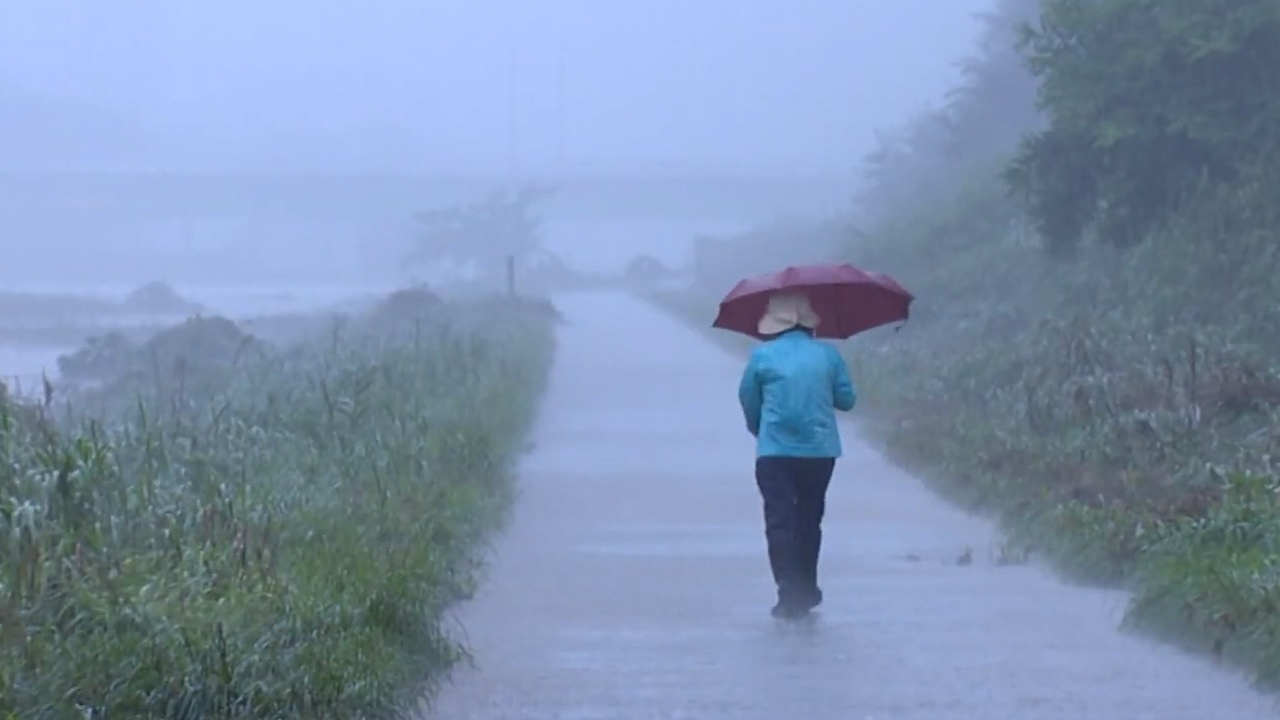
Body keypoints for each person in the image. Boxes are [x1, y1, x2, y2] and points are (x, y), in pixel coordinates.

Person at [737, 291, 857, 619]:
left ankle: (787, 591)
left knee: (779, 520)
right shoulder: (828, 355)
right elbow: (847, 401)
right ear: (808, 322)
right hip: (819, 452)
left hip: (774, 452)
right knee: (809, 518)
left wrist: (760, 429)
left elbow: (748, 399)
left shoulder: (762, 356)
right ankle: (807, 588)